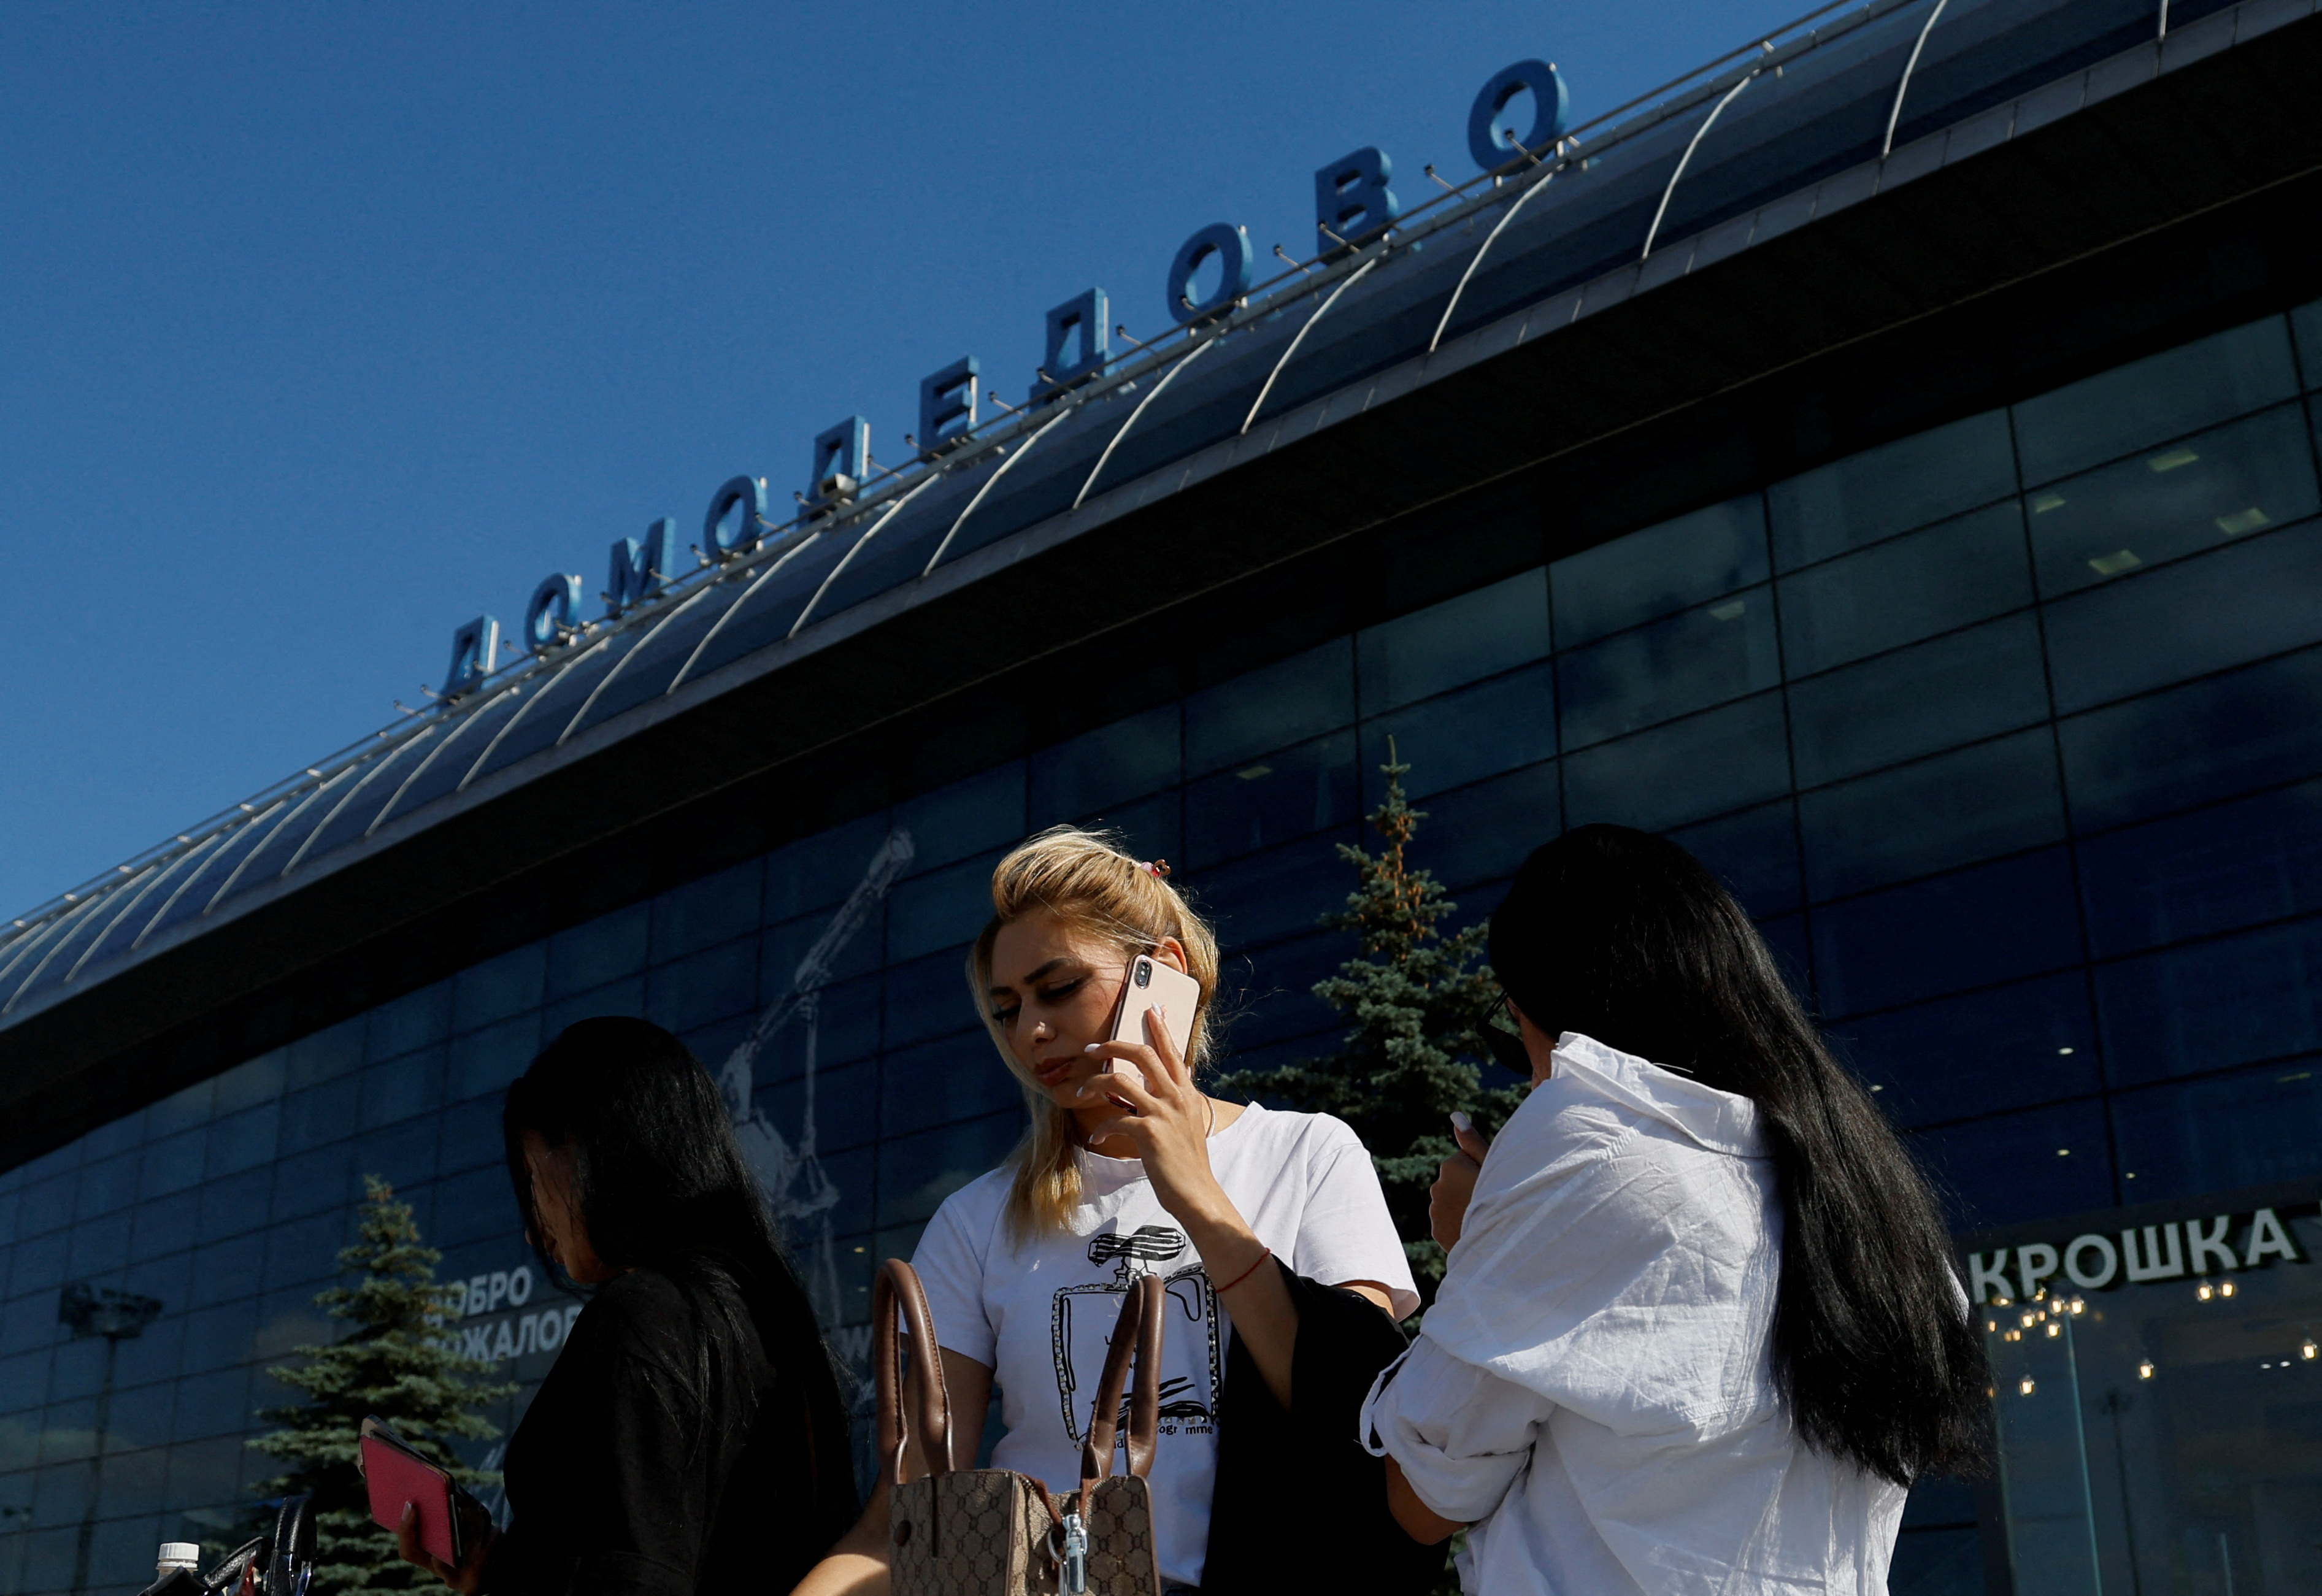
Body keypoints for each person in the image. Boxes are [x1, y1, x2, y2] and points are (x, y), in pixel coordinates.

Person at [793, 827, 1437, 1596]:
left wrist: (1192, 1193)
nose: (1031, 1029)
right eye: (1006, 1008)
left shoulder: (1305, 1154)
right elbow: (905, 1516)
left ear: (1159, 974)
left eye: (1057, 987)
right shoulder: (975, 1222)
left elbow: (1353, 1409)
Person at [1364, 824, 1986, 1594]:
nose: (1529, 1077)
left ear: (1571, 1022)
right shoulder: (1872, 1200)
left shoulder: (1585, 1134)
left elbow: (1425, 1497)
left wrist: (1475, 1244)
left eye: (1513, 1036)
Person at [393, 1017, 858, 1596]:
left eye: (535, 1178)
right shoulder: (766, 1322)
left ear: (596, 1154)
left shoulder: (645, 1318)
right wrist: (492, 1574)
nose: (536, 1231)